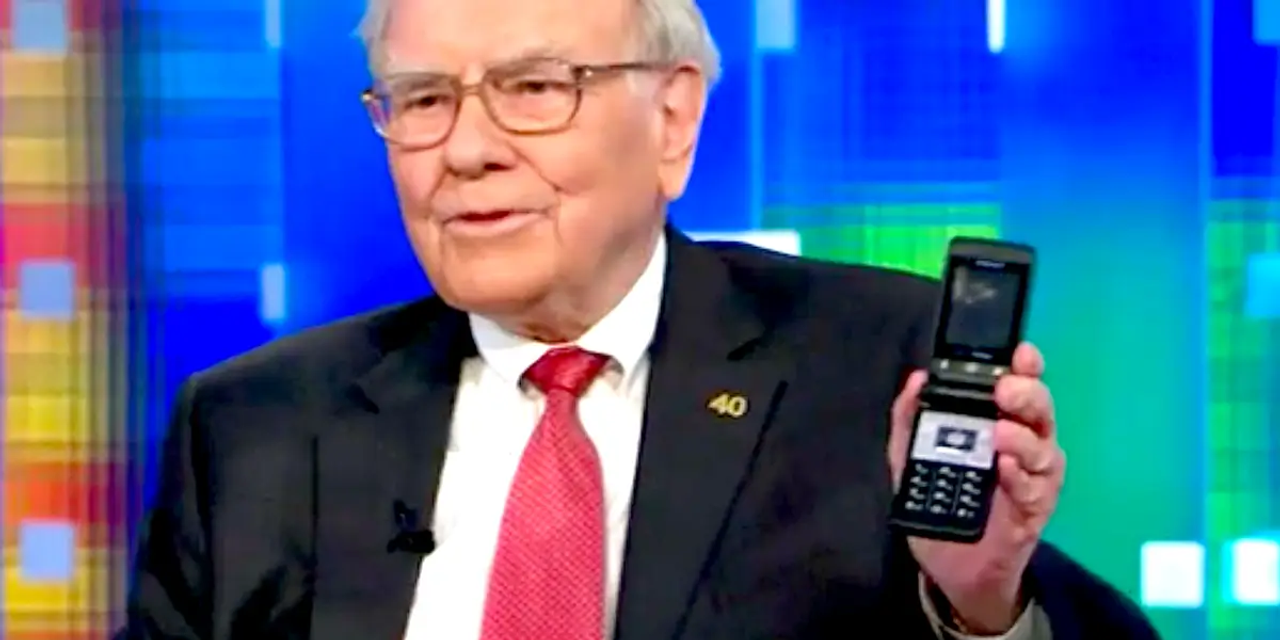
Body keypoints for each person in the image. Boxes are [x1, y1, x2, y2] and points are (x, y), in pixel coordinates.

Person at [117, 0, 1163, 638]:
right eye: (424, 99)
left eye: (534, 88)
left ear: (673, 119)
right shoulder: (253, 423)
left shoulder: (870, 362)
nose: (465, 151)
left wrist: (979, 605)